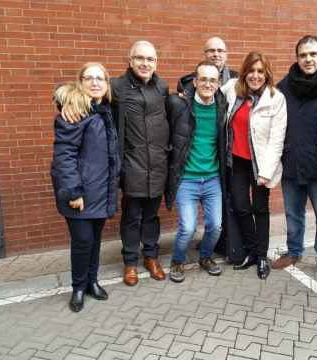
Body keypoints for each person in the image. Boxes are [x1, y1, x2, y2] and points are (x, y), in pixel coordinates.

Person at [60, 40, 170, 286]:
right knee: (131, 216)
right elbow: (87, 92)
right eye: (139, 58)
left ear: (156, 63)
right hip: (130, 165)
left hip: (157, 165)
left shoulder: (162, 87)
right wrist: (67, 101)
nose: (145, 63)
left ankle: (151, 257)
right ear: (130, 61)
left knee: (152, 216)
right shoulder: (117, 87)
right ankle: (130, 262)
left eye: (150, 59)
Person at [51, 62, 120, 312]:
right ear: (79, 82)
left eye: (100, 78)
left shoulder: (105, 110)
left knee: (95, 241)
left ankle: (92, 282)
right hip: (80, 193)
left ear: (107, 84)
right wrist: (73, 192)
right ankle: (78, 288)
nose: (95, 82)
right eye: (89, 78)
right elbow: (64, 156)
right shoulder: (74, 111)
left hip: (102, 191)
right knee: (82, 241)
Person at [274, 35, 317, 282]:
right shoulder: (285, 85)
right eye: (303, 55)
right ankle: (294, 251)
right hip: (292, 162)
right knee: (293, 213)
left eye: (313, 54)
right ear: (297, 58)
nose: (308, 59)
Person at [220, 51, 287, 279]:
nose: (255, 76)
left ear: (266, 74)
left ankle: (261, 257)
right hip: (237, 161)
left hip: (261, 164)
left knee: (260, 209)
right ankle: (250, 250)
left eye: (260, 71)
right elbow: (205, 87)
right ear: (244, 72)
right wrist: (184, 92)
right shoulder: (232, 90)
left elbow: (277, 139)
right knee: (240, 206)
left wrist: (266, 172)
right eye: (251, 71)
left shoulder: (275, 98)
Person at [165, 60, 228, 283]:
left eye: (212, 80)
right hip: (187, 179)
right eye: (203, 79)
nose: (207, 84)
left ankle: (205, 257)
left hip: (212, 179)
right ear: (195, 81)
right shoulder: (180, 104)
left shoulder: (223, 106)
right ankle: (177, 261)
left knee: (215, 226)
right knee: (188, 228)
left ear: (219, 83)